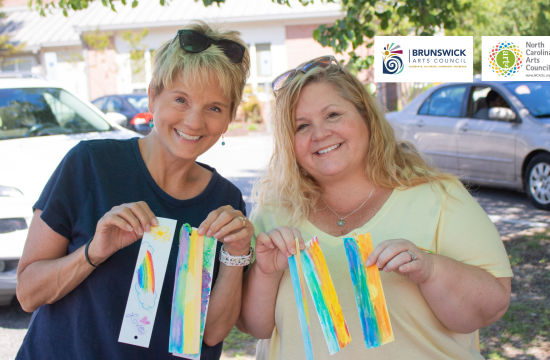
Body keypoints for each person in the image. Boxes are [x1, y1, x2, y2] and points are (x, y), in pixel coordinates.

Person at [238, 56, 512, 360]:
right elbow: (254, 326)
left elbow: (492, 306)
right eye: (302, 126)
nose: (319, 134)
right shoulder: (275, 212)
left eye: (332, 115)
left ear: (366, 116)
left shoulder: (438, 197)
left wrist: (431, 270)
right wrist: (265, 272)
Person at [16, 21, 253, 360]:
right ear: (153, 96)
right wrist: (93, 253)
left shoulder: (225, 202)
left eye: (214, 108)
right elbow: (27, 294)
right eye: (181, 100)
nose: (195, 122)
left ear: (229, 118)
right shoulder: (90, 165)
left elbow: (213, 333)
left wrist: (237, 253)